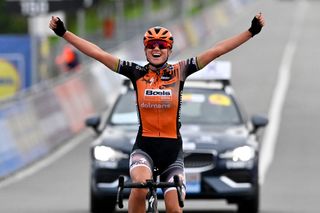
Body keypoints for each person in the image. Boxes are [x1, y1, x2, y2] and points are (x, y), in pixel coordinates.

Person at [49, 12, 264, 213]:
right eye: (151, 45)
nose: (156, 49)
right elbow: (98, 53)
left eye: (162, 45)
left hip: (172, 153)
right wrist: (64, 33)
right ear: (145, 50)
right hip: (144, 149)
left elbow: (217, 50)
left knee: (173, 207)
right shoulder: (136, 73)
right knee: (140, 187)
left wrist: (251, 32)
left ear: (170, 50)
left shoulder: (181, 70)